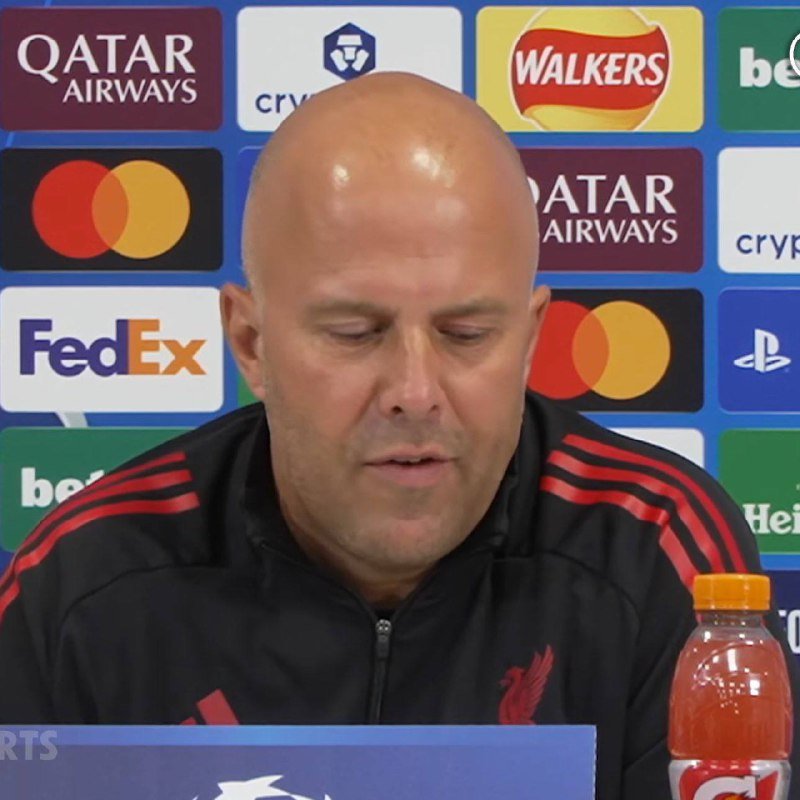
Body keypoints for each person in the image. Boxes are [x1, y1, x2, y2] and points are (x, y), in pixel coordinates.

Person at [0, 72, 797, 800]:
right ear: (251, 343)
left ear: (528, 341)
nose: (415, 393)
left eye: (466, 333)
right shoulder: (83, 583)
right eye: (355, 333)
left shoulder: (657, 550)